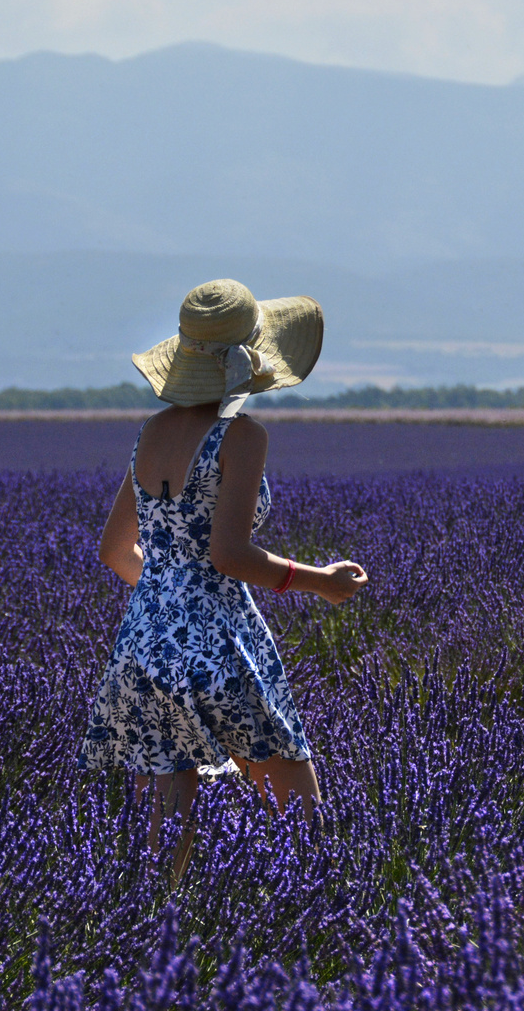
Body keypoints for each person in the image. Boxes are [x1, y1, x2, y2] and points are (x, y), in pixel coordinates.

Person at [78, 279, 367, 879]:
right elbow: (231, 554)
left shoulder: (150, 433)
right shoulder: (241, 436)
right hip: (219, 641)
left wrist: (166, 596)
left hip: (143, 644)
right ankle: (328, 929)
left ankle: (143, 943)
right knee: (301, 808)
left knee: (161, 842)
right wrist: (321, 581)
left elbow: (113, 549)